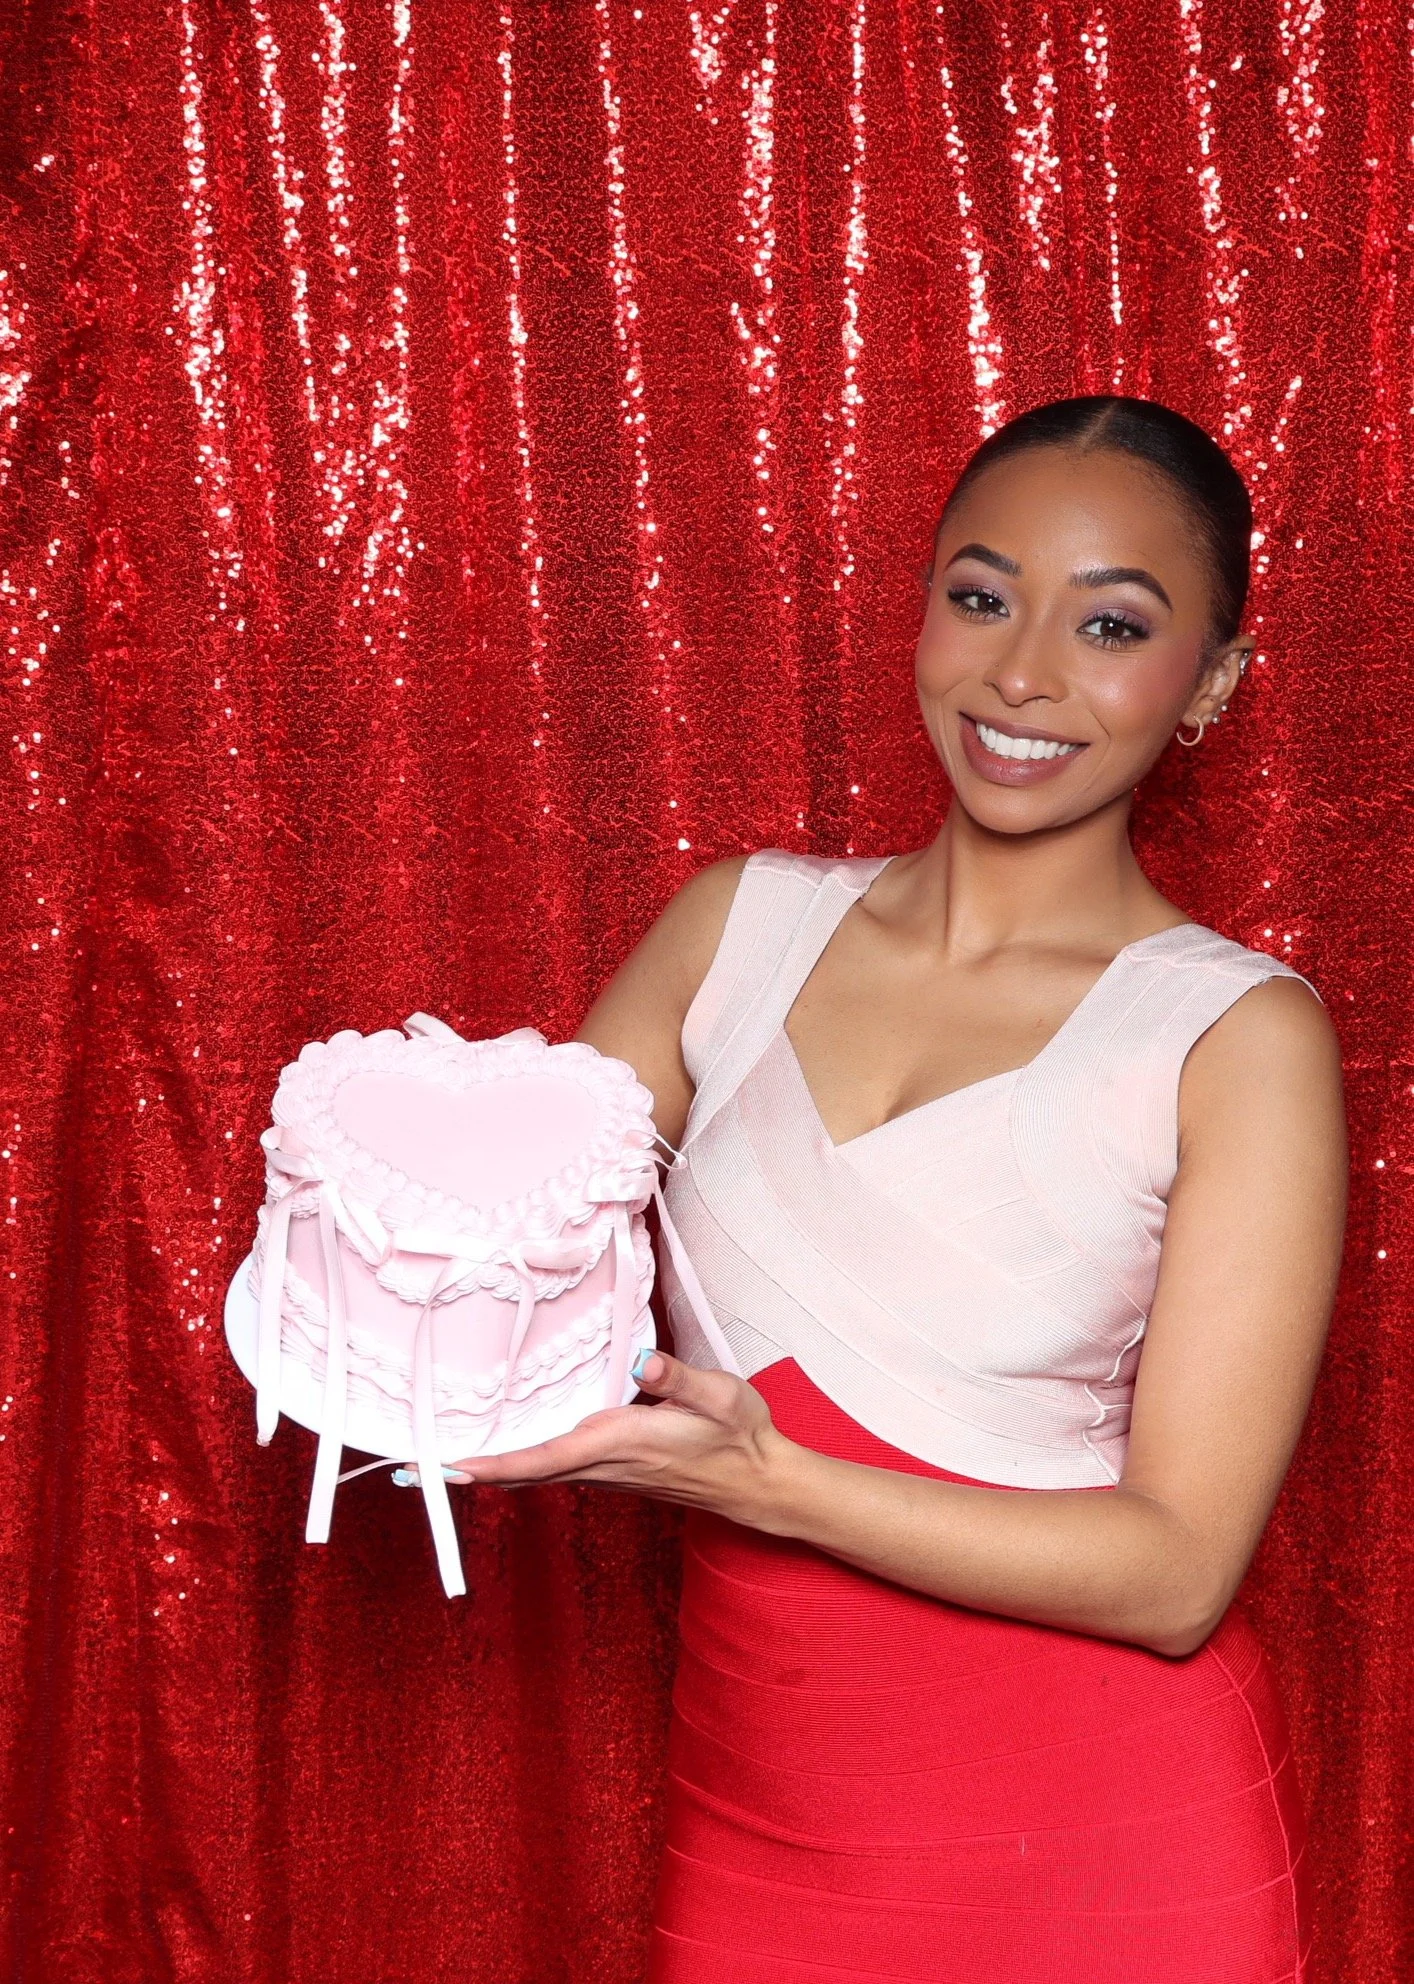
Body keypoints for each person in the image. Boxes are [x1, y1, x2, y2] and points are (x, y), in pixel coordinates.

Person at [454, 396, 1347, 1982]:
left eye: (1112, 624)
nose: (1020, 674)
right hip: (762, 1833)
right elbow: (497, 1280)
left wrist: (765, 1484)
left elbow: (1175, 1574)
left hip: (1108, 1854)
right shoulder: (732, 929)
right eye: (981, 596)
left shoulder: (1234, 1036)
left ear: (1211, 682)